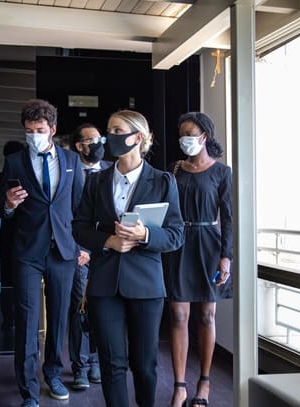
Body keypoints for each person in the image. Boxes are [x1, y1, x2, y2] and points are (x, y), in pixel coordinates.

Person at [72, 110, 185, 407]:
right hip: (104, 284)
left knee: (145, 365)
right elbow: (79, 228)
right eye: (109, 130)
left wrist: (145, 235)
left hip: (146, 286)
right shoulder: (96, 181)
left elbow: (175, 235)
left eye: (117, 129)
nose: (110, 136)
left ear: (137, 137)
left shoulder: (163, 181)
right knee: (111, 364)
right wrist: (108, 240)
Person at [0, 99, 85, 407]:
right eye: (29, 130)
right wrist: (9, 203)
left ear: (52, 129)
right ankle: (28, 391)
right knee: (28, 322)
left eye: (40, 129)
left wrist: (82, 247)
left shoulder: (72, 161)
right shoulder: (14, 162)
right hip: (28, 253)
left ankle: (54, 375)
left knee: (58, 320)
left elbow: (81, 208)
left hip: (63, 252)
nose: (34, 135)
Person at [163, 112, 232, 407]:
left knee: (206, 315)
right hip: (178, 244)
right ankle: (179, 386)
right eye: (181, 134)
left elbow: (228, 218)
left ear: (204, 136)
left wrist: (226, 256)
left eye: (189, 133)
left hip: (208, 245)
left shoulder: (221, 172)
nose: (184, 140)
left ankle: (204, 382)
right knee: (178, 315)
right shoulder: (175, 169)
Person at [67, 123, 113, 389]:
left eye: (100, 138)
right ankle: (80, 367)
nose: (98, 143)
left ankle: (97, 362)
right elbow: (65, 215)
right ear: (79, 146)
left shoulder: (111, 170)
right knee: (78, 309)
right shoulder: (69, 171)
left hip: (107, 251)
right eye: (91, 140)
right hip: (78, 253)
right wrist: (79, 249)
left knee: (103, 309)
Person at [0, 140, 26, 333]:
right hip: (10, 233)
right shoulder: (1, 178)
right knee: (10, 277)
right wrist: (9, 203)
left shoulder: (27, 177)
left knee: (12, 277)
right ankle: (10, 318)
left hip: (15, 233)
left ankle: (11, 318)